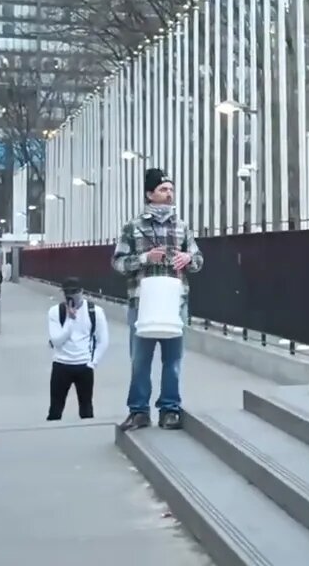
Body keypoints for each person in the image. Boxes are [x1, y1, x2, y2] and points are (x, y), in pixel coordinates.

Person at [113, 168, 203, 431]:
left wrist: (188, 259)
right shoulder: (133, 226)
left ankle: (169, 409)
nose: (169, 194)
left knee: (173, 360)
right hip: (142, 303)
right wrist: (144, 258)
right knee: (140, 360)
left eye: (171, 189)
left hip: (176, 303)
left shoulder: (182, 226)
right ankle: (139, 411)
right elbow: (118, 262)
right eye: (164, 189)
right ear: (150, 194)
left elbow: (198, 260)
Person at [46, 277, 109, 420]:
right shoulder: (55, 312)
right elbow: (56, 341)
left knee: (86, 408)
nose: (70, 296)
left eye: (74, 292)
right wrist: (70, 320)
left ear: (81, 292)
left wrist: (93, 363)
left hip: (84, 365)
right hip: (61, 364)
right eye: (67, 293)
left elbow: (103, 340)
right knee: (55, 409)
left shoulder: (95, 311)